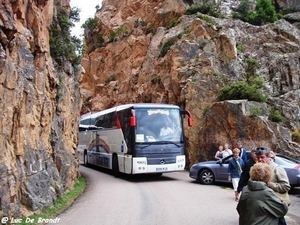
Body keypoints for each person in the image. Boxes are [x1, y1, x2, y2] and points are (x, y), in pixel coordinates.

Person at [256, 147, 291, 225]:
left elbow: (286, 186)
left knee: (280, 221)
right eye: (258, 158)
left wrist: (271, 185)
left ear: (269, 157)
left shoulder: (277, 169)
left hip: (276, 204)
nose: (260, 160)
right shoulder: (258, 169)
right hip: (265, 204)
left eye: (262, 157)